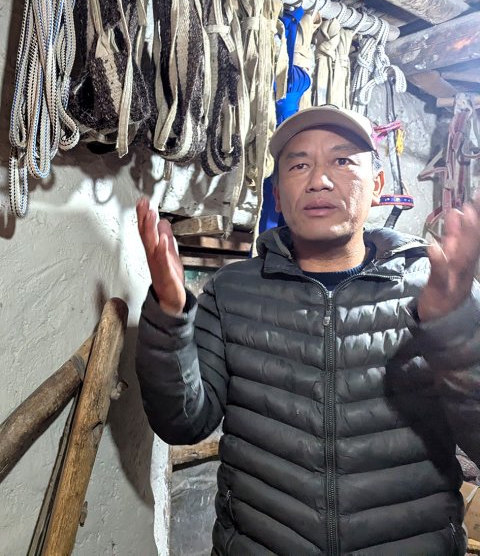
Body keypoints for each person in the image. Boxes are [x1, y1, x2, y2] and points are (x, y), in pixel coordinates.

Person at [135, 105, 480, 555]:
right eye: (299, 165)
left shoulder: (435, 289)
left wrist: (452, 329)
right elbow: (182, 423)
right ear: (278, 196)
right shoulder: (232, 292)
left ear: (377, 185)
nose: (319, 180)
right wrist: (169, 314)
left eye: (342, 160)